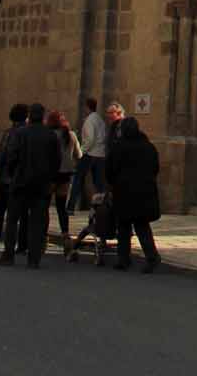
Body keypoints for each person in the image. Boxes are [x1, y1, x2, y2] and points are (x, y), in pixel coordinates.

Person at [0, 103, 60, 269]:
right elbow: (56, 161)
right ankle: (34, 259)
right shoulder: (51, 135)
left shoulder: (20, 133)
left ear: (30, 116)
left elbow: (12, 155)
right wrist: (51, 179)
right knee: (37, 222)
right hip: (41, 184)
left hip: (21, 181)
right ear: (43, 116)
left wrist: (11, 173)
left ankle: (8, 255)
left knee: (12, 219)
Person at [105, 116, 161, 273]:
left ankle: (123, 259)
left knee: (123, 225)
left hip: (124, 192)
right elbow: (155, 168)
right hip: (144, 192)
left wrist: (113, 184)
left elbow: (110, 170)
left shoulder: (118, 147)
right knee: (142, 226)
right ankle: (151, 257)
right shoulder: (148, 147)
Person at [0, 103, 28, 250]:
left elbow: (1, 155)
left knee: (1, 210)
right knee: (21, 213)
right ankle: (22, 244)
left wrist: (2, 172)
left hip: (6, 177)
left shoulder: (8, 133)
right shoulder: (26, 133)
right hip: (20, 177)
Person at [47, 109, 82, 244]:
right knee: (62, 207)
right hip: (66, 175)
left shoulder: (49, 135)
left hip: (51, 174)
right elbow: (79, 155)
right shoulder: (71, 135)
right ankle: (65, 234)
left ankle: (43, 235)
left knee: (45, 205)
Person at [68, 97, 105, 212]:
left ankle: (71, 206)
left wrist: (82, 151)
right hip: (101, 154)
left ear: (87, 107)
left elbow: (90, 139)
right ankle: (101, 207)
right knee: (98, 183)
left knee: (78, 179)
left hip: (90, 154)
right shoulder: (100, 119)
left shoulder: (89, 120)